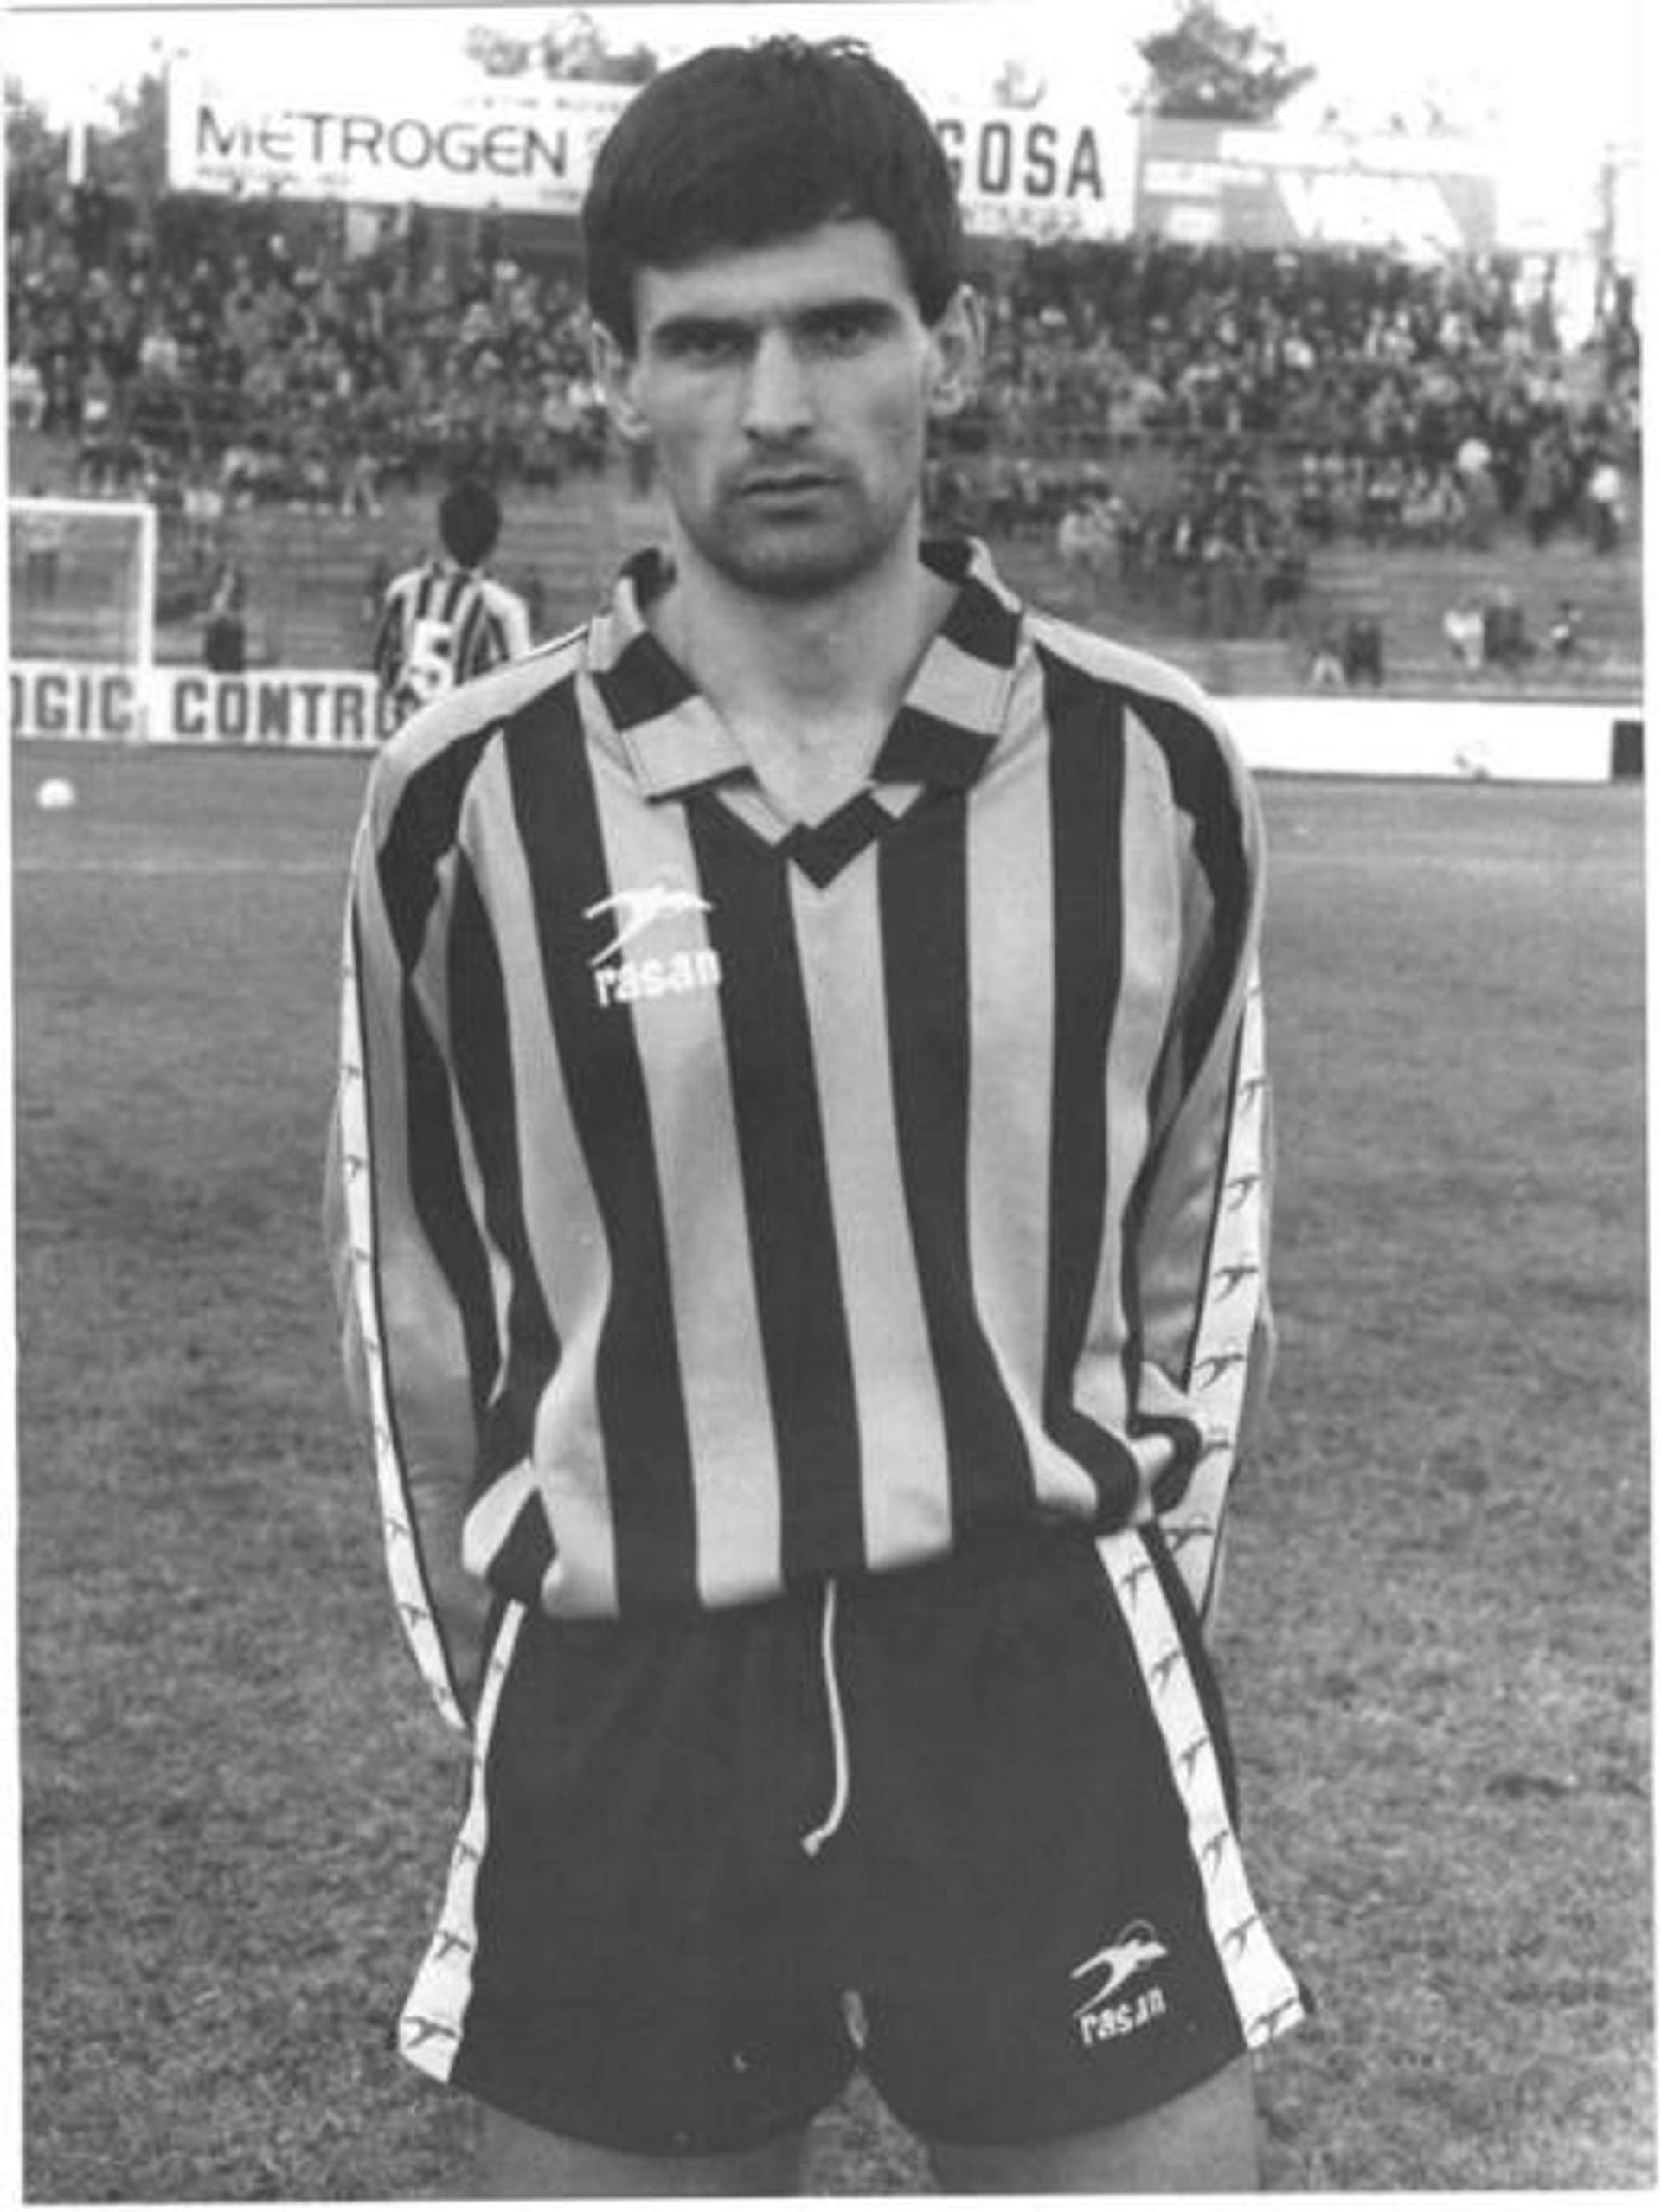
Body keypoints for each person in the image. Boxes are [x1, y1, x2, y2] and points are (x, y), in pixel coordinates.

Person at [326, 36, 1305, 2199]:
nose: (775, 402)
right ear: (619, 373)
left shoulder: (1153, 771)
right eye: (706, 340)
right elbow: (419, 1304)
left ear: (953, 343)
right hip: (631, 1694)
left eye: (841, 327)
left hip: (1039, 1677)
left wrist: (1126, 1590)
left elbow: (1195, 1277)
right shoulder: (462, 804)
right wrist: (511, 1683)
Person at [370, 476, 533, 733]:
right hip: (468, 751)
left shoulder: (402, 591)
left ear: (441, 533)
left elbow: (382, 666)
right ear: (493, 543)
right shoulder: (503, 609)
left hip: (405, 747)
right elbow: (522, 692)